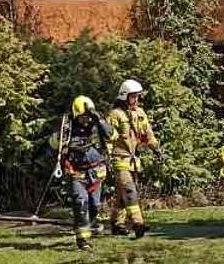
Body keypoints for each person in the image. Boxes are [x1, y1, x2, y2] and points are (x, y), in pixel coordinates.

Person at [105, 78, 159, 238]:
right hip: (119, 158)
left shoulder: (140, 114)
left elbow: (148, 133)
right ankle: (138, 223)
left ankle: (117, 224)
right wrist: (107, 157)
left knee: (122, 195)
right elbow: (108, 137)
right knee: (129, 190)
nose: (136, 99)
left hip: (134, 160)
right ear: (124, 96)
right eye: (133, 96)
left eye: (138, 96)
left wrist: (155, 147)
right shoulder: (115, 115)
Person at [59, 95, 113, 251]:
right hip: (77, 173)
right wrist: (66, 143)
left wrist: (99, 120)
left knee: (95, 205)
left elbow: (112, 135)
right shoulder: (68, 127)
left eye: (88, 116)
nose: (86, 120)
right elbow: (56, 143)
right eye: (83, 117)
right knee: (80, 203)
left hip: (96, 172)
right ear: (76, 115)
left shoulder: (98, 124)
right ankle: (83, 241)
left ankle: (92, 224)